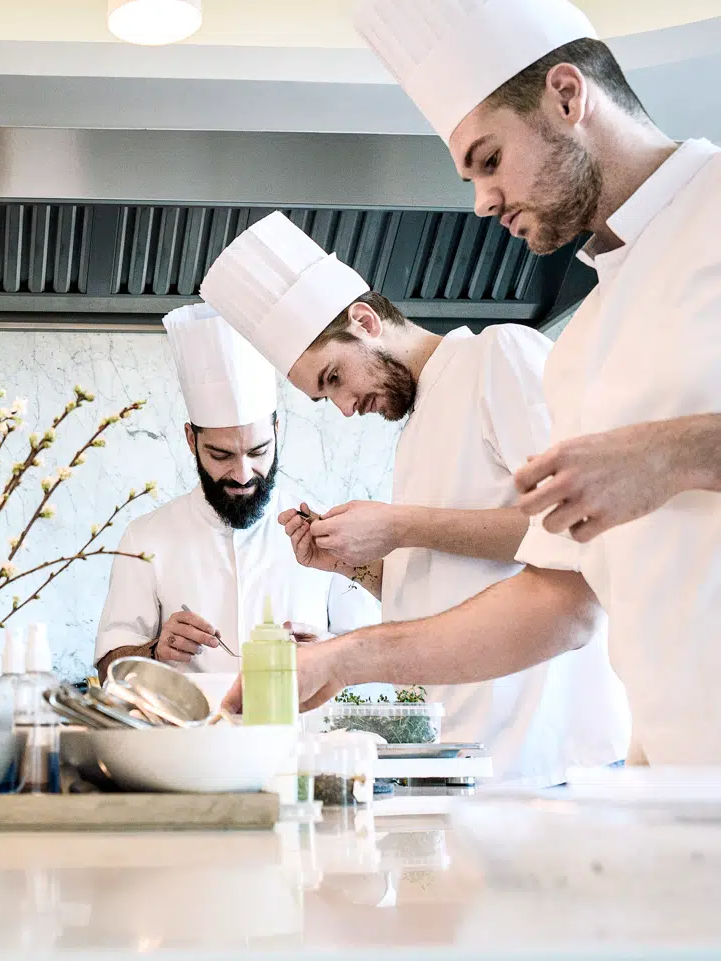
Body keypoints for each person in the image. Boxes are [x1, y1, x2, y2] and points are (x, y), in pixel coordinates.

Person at [227, 0, 721, 764]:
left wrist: (679, 453)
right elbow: (562, 601)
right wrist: (339, 657)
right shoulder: (582, 346)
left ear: (567, 95)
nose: (482, 201)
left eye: (489, 160)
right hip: (670, 784)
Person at [201, 211, 627, 784]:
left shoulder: (497, 358)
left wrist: (401, 526)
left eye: (332, 378)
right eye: (326, 398)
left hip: (551, 759)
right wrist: (358, 567)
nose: (346, 407)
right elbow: (448, 581)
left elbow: (579, 534)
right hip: (467, 756)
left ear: (364, 321)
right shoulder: (414, 429)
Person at [95, 304, 379, 682]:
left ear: (277, 431)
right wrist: (153, 650)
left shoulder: (331, 533)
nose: (243, 474)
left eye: (258, 451)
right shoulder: (145, 537)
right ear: (191, 441)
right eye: (221, 454)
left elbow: (371, 666)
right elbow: (107, 666)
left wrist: (326, 653)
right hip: (187, 737)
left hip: (300, 738)